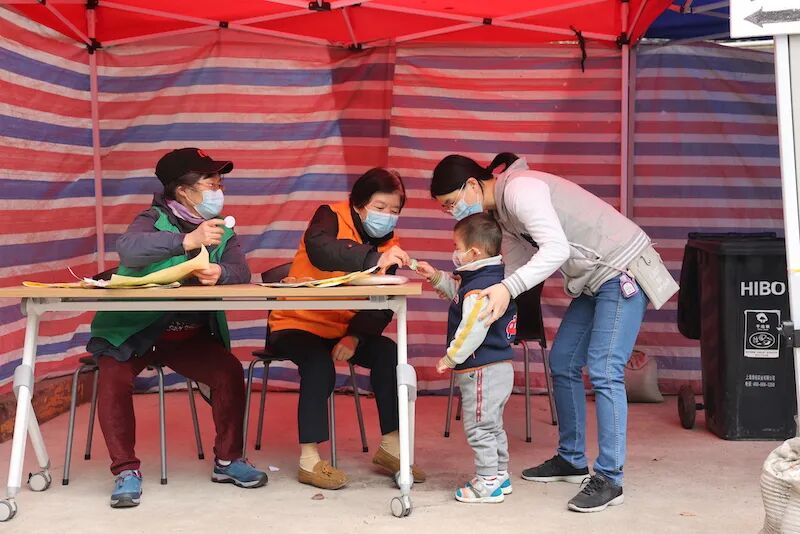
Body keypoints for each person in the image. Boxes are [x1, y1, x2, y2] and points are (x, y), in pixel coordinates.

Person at [430, 152, 678, 513]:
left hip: (621, 270)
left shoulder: (520, 190)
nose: (451, 212)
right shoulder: (503, 215)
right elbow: (512, 268)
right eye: (445, 208)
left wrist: (506, 289)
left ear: (471, 185)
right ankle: (572, 459)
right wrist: (463, 288)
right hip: (593, 281)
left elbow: (555, 250)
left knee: (605, 370)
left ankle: (610, 478)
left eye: (451, 203)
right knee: (562, 362)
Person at [87, 148, 268, 509]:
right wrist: (186, 241)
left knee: (228, 371)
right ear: (183, 191)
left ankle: (229, 461)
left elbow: (241, 271)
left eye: (220, 184)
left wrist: (221, 273)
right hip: (135, 331)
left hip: (187, 337)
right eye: (211, 184)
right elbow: (129, 250)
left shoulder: (221, 229)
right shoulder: (152, 218)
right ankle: (126, 470)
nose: (219, 191)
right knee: (112, 377)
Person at [268, 168, 426, 490]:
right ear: (358, 203)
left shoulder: (390, 244)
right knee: (318, 364)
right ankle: (309, 460)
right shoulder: (328, 216)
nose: (387, 216)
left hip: (342, 329)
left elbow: (384, 302)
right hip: (296, 323)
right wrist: (374, 257)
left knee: (389, 354)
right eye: (380, 207)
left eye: (394, 210)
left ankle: (392, 447)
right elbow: (321, 250)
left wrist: (355, 336)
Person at [415, 213, 517, 504]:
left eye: (456, 247)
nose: (454, 253)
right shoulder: (489, 278)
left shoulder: (478, 288)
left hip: (482, 368)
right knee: (492, 425)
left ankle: (487, 483)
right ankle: (499, 475)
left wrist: (450, 357)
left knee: (479, 427)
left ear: (473, 252)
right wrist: (435, 276)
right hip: (499, 366)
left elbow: (473, 328)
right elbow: (458, 295)